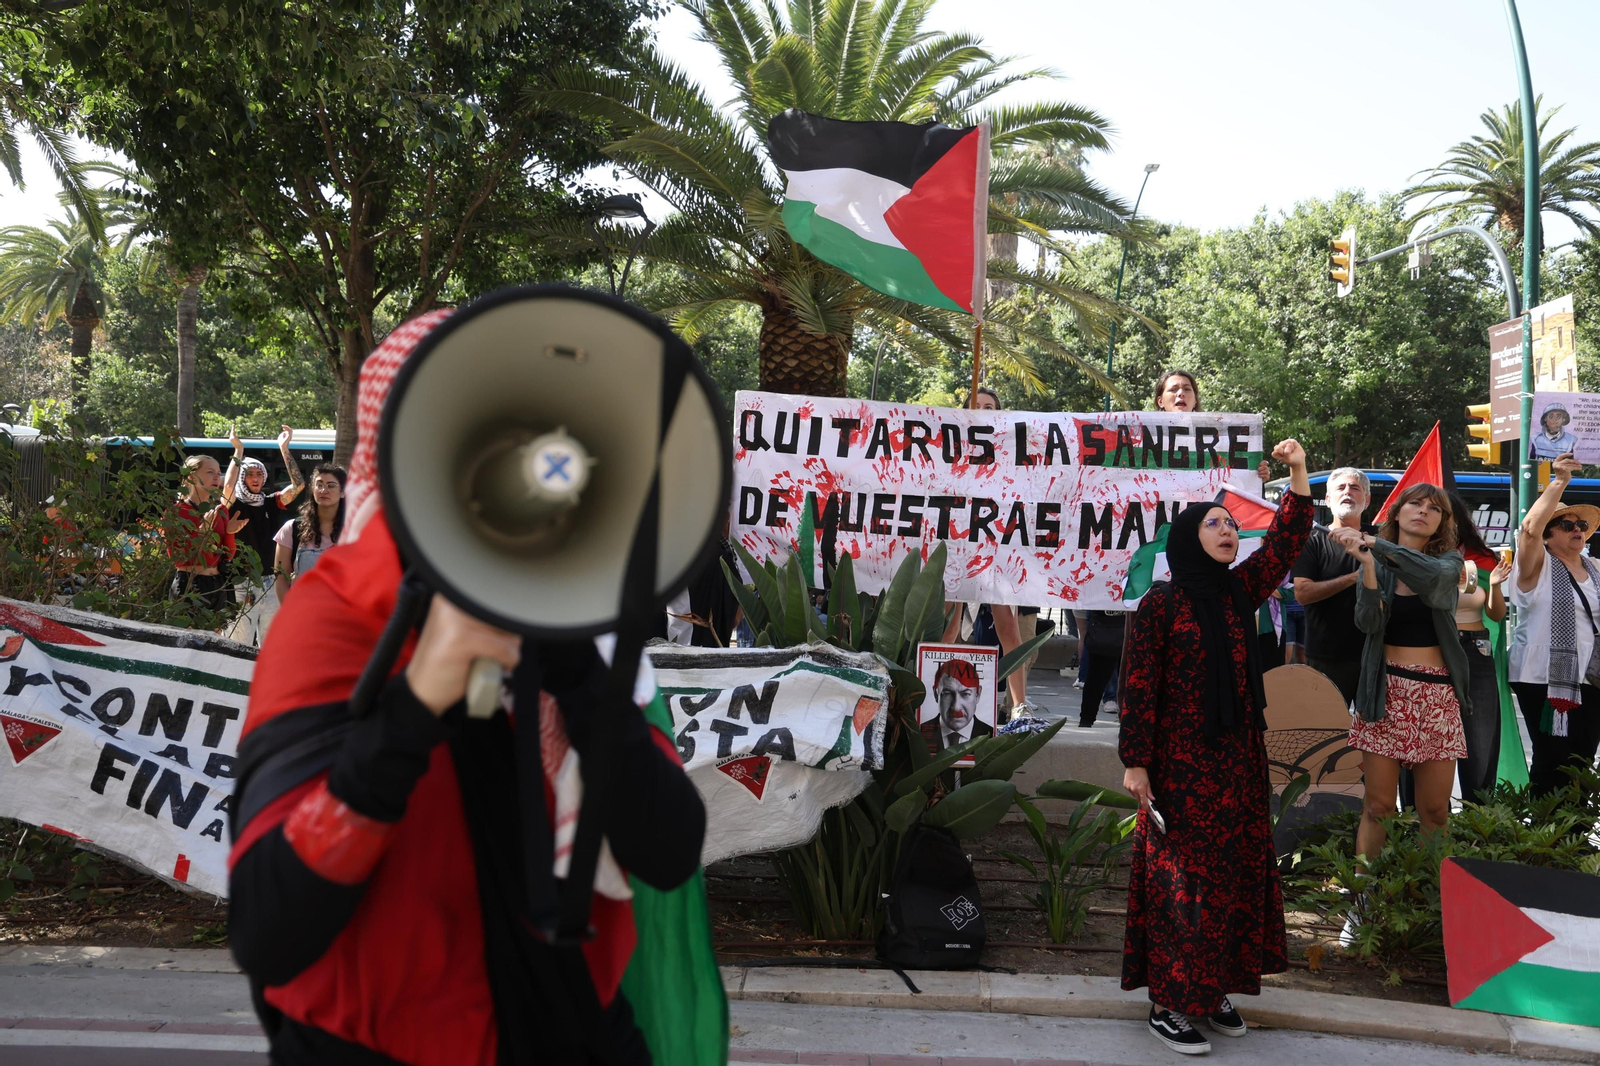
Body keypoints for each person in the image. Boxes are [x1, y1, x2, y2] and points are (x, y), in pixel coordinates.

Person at [228, 309, 712, 1065]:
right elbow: (269, 927)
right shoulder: (340, 612)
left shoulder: (587, 613)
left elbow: (667, 849)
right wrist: (412, 709)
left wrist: (582, 675)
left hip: (570, 1029)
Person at [1119, 438, 1314, 1055]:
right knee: (1182, 881)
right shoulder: (1160, 604)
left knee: (1233, 875)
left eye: (1232, 524)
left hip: (1237, 761)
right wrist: (1136, 762)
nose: (1229, 531)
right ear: (1187, 538)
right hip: (1179, 766)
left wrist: (1299, 472)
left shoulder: (1237, 593)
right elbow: (1138, 687)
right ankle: (1170, 1000)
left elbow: (1285, 543)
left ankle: (1216, 988)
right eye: (1215, 524)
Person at [1333, 483, 1470, 875]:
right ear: (1398, 513)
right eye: (1415, 503)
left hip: (1437, 696)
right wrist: (1369, 568)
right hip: (1384, 691)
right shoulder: (1373, 558)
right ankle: (1361, 897)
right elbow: (1368, 622)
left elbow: (1430, 580)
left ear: (1443, 522)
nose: (1423, 511)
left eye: (1434, 508)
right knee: (1378, 806)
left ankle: (1430, 898)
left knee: (1435, 810)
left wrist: (1377, 546)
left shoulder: (1447, 564)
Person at [942, 386, 1040, 717]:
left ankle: (1018, 704)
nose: (983, 410)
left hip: (996, 545)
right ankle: (935, 690)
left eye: (989, 406)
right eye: (976, 405)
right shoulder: (950, 449)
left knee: (1007, 625)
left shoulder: (1010, 453)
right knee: (949, 623)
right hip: (957, 545)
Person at [1508, 453, 1600, 796]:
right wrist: (1559, 481)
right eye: (1567, 525)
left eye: (1582, 526)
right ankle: (1543, 842)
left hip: (1590, 678)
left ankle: (1571, 841)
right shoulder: (1538, 566)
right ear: (1548, 537)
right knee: (1553, 760)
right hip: (1543, 677)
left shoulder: (1595, 569)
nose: (1578, 530)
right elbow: (1529, 528)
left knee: (1582, 762)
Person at [1447, 489, 1513, 805]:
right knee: (1422, 750)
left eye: (1445, 512)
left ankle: (1477, 831)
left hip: (1476, 650)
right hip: (1428, 653)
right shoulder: (1412, 556)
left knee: (1480, 747)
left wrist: (1496, 585)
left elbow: (1496, 614)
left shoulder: (1481, 560)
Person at [1293, 468, 1372, 706]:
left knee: (1373, 738)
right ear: (1328, 500)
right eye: (1340, 488)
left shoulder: (1382, 539)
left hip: (1375, 656)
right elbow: (1302, 594)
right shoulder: (1310, 540)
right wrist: (1355, 578)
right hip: (1326, 657)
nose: (1347, 492)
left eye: (1355, 488)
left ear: (1367, 500)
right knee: (1328, 736)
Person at [223, 424, 305, 645]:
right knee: (237, 646)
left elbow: (298, 485)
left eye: (260, 473)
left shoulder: (270, 502)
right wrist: (238, 451)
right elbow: (228, 485)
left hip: (270, 583)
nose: (256, 478)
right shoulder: (232, 503)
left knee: (272, 648)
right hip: (241, 585)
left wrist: (284, 448)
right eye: (249, 474)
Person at [166, 454, 240, 615]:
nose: (217, 477)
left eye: (218, 472)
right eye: (210, 472)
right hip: (189, 584)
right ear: (192, 477)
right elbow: (177, 558)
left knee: (216, 639)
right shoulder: (175, 512)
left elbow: (228, 555)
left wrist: (230, 533)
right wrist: (202, 533)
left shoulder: (221, 511)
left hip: (217, 583)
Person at [273, 463, 345, 602]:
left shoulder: (356, 531)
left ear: (343, 492)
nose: (324, 490)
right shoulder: (292, 528)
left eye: (331, 485)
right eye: (319, 485)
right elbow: (281, 578)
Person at [920, 658, 993, 748]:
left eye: (966, 694)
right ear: (936, 694)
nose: (956, 707)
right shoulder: (918, 735)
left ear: (977, 695)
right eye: (947, 694)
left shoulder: (992, 737)